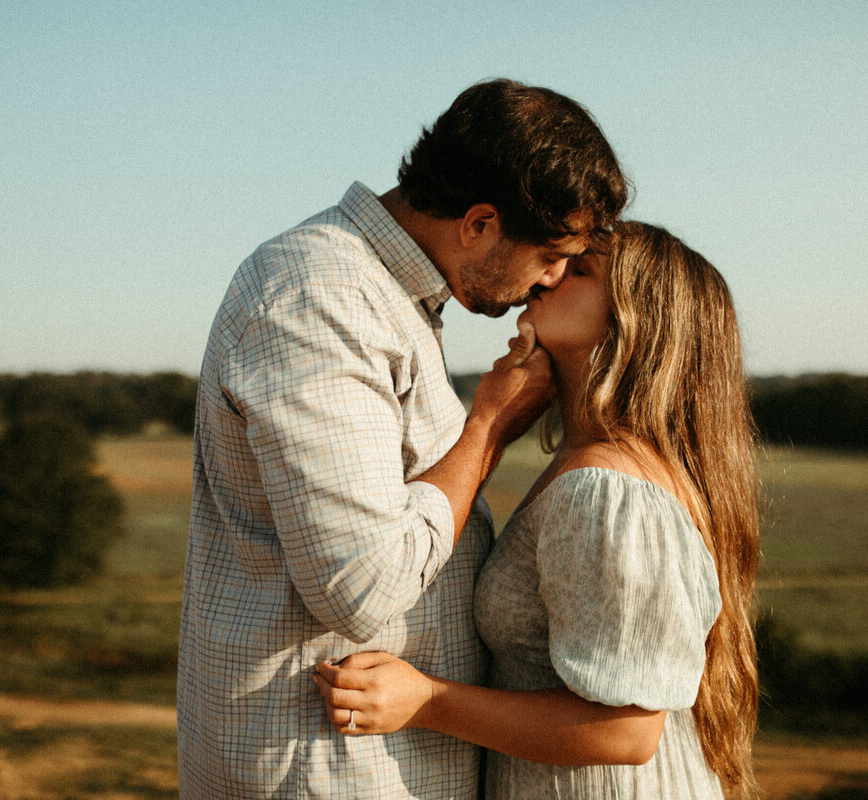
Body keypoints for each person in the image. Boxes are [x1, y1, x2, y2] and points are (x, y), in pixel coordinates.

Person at [177, 78, 628, 800]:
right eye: (550, 254)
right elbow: (364, 584)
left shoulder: (387, 300)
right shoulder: (321, 297)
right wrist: (486, 429)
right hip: (323, 768)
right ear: (479, 223)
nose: (549, 280)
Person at [315, 221, 761, 799]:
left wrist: (425, 700)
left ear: (634, 320)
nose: (548, 276)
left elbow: (626, 732)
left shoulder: (608, 486)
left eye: (581, 269)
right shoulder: (596, 465)